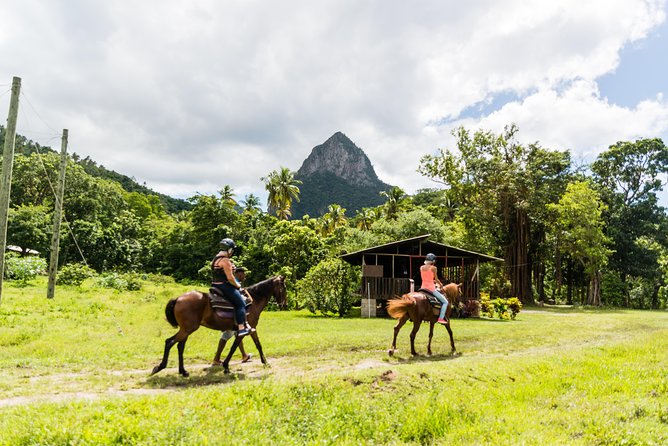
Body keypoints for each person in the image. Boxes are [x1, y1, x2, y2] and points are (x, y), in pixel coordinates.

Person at [213, 266, 252, 365]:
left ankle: (244, 355)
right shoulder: (234, 282)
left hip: (232, 314)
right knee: (227, 335)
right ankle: (216, 359)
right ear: (239, 274)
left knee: (237, 334)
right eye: (243, 274)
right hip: (232, 315)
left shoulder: (235, 282)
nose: (245, 276)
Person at [211, 238, 250, 337]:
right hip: (225, 286)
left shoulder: (216, 258)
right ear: (229, 250)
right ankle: (241, 328)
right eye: (232, 250)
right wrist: (237, 285)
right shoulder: (225, 260)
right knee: (241, 303)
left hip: (215, 284)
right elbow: (230, 278)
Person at [420, 253, 449, 324]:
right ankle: (441, 318)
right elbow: (436, 279)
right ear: (433, 261)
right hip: (431, 289)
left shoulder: (421, 267)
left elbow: (426, 278)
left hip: (423, 288)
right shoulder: (434, 268)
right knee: (445, 302)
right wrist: (441, 284)